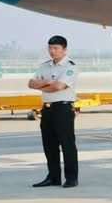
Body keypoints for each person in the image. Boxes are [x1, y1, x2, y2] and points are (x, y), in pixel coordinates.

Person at [29, 34, 79, 189]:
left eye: (56, 48)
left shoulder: (70, 66)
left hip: (63, 108)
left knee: (67, 144)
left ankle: (71, 178)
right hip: (47, 109)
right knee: (49, 145)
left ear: (64, 49)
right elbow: (31, 83)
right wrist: (47, 82)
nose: (52, 51)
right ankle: (53, 177)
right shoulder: (44, 66)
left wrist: (42, 85)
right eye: (50, 48)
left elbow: (58, 87)